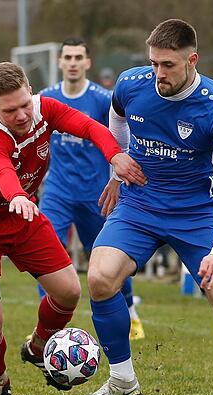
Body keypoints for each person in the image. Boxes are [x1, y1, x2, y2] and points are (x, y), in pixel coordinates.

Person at [72, 19, 213, 395]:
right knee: (99, 279)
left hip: (195, 213)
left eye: (167, 65)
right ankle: (121, 380)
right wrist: (117, 170)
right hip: (140, 205)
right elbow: (115, 120)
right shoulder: (132, 84)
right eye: (153, 63)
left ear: (192, 60)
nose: (158, 74)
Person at [0, 61, 145, 395]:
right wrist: (17, 195)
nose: (21, 115)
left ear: (31, 93)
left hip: (22, 216)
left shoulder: (44, 109)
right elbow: (0, 169)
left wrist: (114, 156)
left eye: (24, 104)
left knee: (69, 292)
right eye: (10, 110)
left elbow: (89, 127)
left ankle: (37, 347)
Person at [39, 37, 145, 340]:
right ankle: (48, 327)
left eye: (78, 57)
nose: (72, 62)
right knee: (46, 254)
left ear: (88, 63)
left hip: (96, 194)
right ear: (59, 62)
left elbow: (121, 136)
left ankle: (130, 309)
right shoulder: (46, 100)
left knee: (110, 259)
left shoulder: (102, 99)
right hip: (57, 192)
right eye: (67, 57)